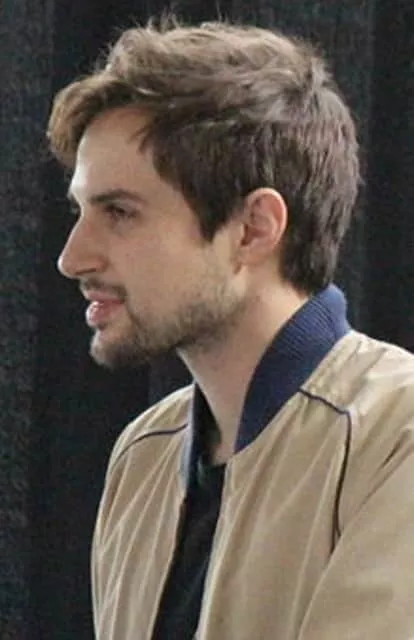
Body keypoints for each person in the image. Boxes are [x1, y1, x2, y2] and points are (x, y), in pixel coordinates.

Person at [47, 17, 414, 640]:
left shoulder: (397, 434)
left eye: (120, 212)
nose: (71, 258)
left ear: (253, 229)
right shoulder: (143, 454)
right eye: (81, 210)